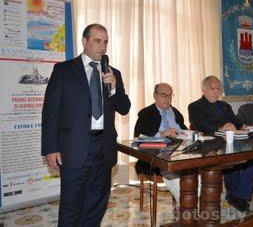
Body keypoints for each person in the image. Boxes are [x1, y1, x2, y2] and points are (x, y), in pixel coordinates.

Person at [41, 23, 131, 226]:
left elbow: (124, 108)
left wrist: (115, 89)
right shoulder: (63, 70)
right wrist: (51, 148)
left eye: (105, 42)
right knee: (71, 206)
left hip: (104, 148)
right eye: (97, 41)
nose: (103, 47)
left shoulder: (112, 73)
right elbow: (50, 112)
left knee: (96, 206)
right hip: (73, 148)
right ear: (85, 41)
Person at [188, 75, 253, 213]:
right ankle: (234, 196)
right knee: (231, 158)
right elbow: (199, 123)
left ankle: (238, 195)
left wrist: (242, 125)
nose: (216, 92)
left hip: (233, 140)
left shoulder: (224, 105)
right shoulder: (195, 106)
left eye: (218, 89)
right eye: (212, 88)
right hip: (211, 144)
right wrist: (221, 127)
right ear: (204, 90)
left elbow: (236, 121)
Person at [134, 83, 187, 203]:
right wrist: (162, 134)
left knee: (196, 173)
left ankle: (190, 204)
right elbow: (138, 140)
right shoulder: (145, 114)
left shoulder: (176, 113)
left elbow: (184, 130)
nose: (167, 98)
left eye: (170, 95)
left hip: (178, 153)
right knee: (177, 177)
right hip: (155, 157)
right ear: (155, 96)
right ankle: (186, 207)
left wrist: (188, 134)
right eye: (163, 95)